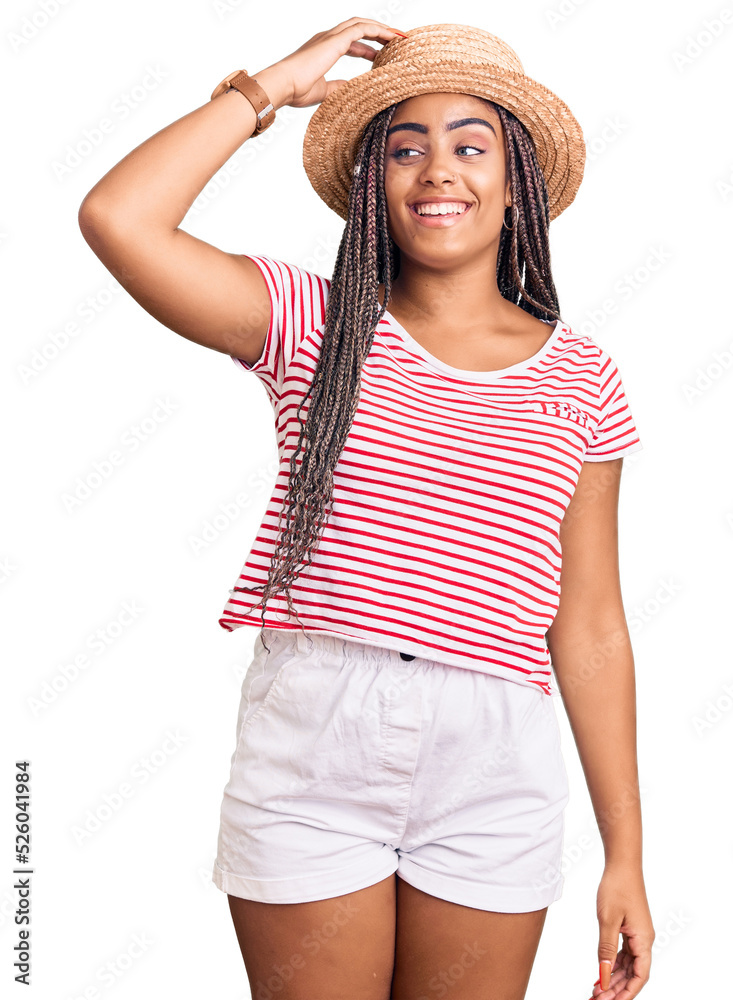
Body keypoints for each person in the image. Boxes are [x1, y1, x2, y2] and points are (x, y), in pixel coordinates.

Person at [77, 17, 655, 1000]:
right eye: (403, 147)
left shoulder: (584, 376)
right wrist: (267, 90)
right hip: (316, 746)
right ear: (370, 183)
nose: (438, 170)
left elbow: (589, 620)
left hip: (495, 764)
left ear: (515, 181)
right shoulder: (311, 322)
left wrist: (625, 854)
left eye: (471, 145)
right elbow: (118, 219)